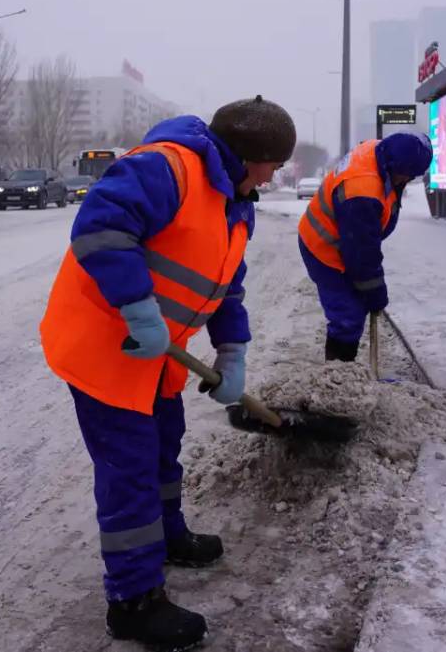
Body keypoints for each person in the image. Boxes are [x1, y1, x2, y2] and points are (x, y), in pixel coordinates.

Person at [39, 97, 295, 651]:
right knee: (129, 468)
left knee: (163, 448)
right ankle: (133, 601)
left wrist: (232, 352)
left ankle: (168, 535)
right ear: (253, 157)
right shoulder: (167, 167)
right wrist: (136, 306)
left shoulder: (236, 200)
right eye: (275, 165)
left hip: (157, 356)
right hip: (106, 345)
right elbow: (99, 228)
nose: (275, 177)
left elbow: (228, 285)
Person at [297, 133, 433, 361]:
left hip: (345, 241)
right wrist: (375, 291)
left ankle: (343, 367)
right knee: (347, 315)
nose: (407, 181)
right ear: (395, 167)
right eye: (407, 176)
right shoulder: (361, 192)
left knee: (358, 300)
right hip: (323, 248)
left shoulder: (379, 151)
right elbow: (361, 253)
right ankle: (338, 378)